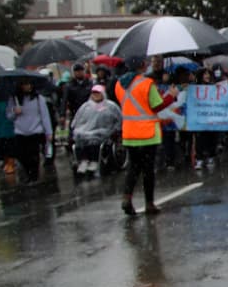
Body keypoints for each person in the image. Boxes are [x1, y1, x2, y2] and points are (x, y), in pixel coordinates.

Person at [116, 56, 176, 216]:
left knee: (133, 168)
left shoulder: (119, 85)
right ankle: (149, 203)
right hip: (147, 133)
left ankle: (127, 197)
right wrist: (171, 95)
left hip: (129, 132)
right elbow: (157, 106)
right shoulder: (147, 84)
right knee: (148, 169)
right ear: (142, 66)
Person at [8, 78, 54, 183]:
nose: (27, 87)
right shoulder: (14, 99)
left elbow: (45, 116)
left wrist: (49, 132)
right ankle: (28, 172)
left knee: (33, 156)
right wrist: (15, 112)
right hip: (20, 132)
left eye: (29, 84)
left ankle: (33, 176)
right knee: (21, 155)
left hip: (35, 132)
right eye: (24, 84)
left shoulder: (38, 98)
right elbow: (9, 116)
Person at [71, 84, 122, 176]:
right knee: (79, 137)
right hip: (85, 130)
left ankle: (94, 160)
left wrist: (116, 130)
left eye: (98, 93)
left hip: (103, 130)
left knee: (94, 139)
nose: (96, 95)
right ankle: (83, 160)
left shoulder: (111, 106)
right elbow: (76, 120)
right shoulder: (85, 106)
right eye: (94, 93)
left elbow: (119, 119)